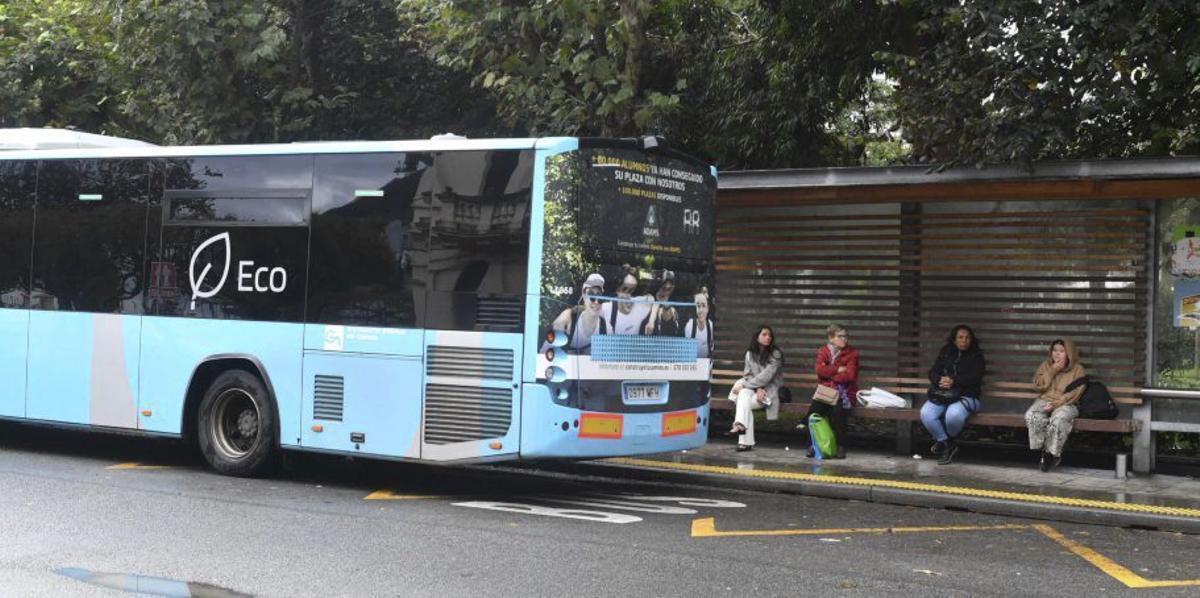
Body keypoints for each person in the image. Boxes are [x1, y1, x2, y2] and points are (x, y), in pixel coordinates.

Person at [921, 324, 986, 464]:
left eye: (967, 338)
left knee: (953, 414)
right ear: (954, 340)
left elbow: (975, 378)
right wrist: (939, 380)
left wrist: (954, 381)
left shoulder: (977, 356)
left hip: (968, 396)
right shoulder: (946, 352)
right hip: (944, 394)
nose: (964, 340)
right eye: (960, 337)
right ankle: (947, 444)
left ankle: (945, 442)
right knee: (926, 413)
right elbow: (933, 371)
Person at [1025, 338, 1086, 472]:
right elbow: (1039, 386)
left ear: (1069, 353)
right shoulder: (1046, 365)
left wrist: (1057, 404)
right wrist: (1052, 371)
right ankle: (1043, 449)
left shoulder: (1078, 370)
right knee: (1032, 415)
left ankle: (1050, 454)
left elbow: (1076, 393)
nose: (1057, 354)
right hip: (1045, 400)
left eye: (1061, 351)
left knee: (1058, 419)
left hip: (1067, 403)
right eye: (1055, 350)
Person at [728, 325, 784, 452]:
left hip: (770, 391)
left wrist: (747, 385)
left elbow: (767, 376)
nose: (767, 337)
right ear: (756, 336)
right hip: (754, 389)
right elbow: (748, 375)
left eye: (769, 335)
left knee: (743, 400)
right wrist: (757, 388)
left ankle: (743, 437)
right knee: (743, 397)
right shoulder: (749, 354)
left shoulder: (775, 354)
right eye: (764, 334)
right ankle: (741, 430)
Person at [804, 324, 857, 459]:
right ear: (831, 338)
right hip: (826, 392)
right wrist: (837, 370)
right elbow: (819, 370)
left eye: (846, 336)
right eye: (840, 336)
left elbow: (849, 375)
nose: (844, 339)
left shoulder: (852, 353)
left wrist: (829, 373)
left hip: (844, 392)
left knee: (838, 411)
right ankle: (812, 445)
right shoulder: (823, 351)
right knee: (814, 412)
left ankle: (841, 446)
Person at [546, 273, 606, 354]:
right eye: (591, 295)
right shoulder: (568, 321)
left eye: (599, 297)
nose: (596, 301)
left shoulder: (604, 325)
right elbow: (544, 353)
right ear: (584, 296)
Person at [604, 265, 653, 335]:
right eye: (624, 289)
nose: (627, 294)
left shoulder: (638, 305)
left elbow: (654, 299)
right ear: (617, 289)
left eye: (631, 290)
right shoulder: (607, 307)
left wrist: (652, 320)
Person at [643, 270, 680, 336]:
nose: (665, 292)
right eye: (663, 288)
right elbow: (654, 303)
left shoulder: (674, 305)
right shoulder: (648, 299)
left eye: (669, 289)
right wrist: (651, 320)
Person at [682, 287, 713, 358]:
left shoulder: (710, 325)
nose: (701, 310)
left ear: (708, 308)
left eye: (703, 306)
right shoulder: (689, 326)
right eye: (698, 306)